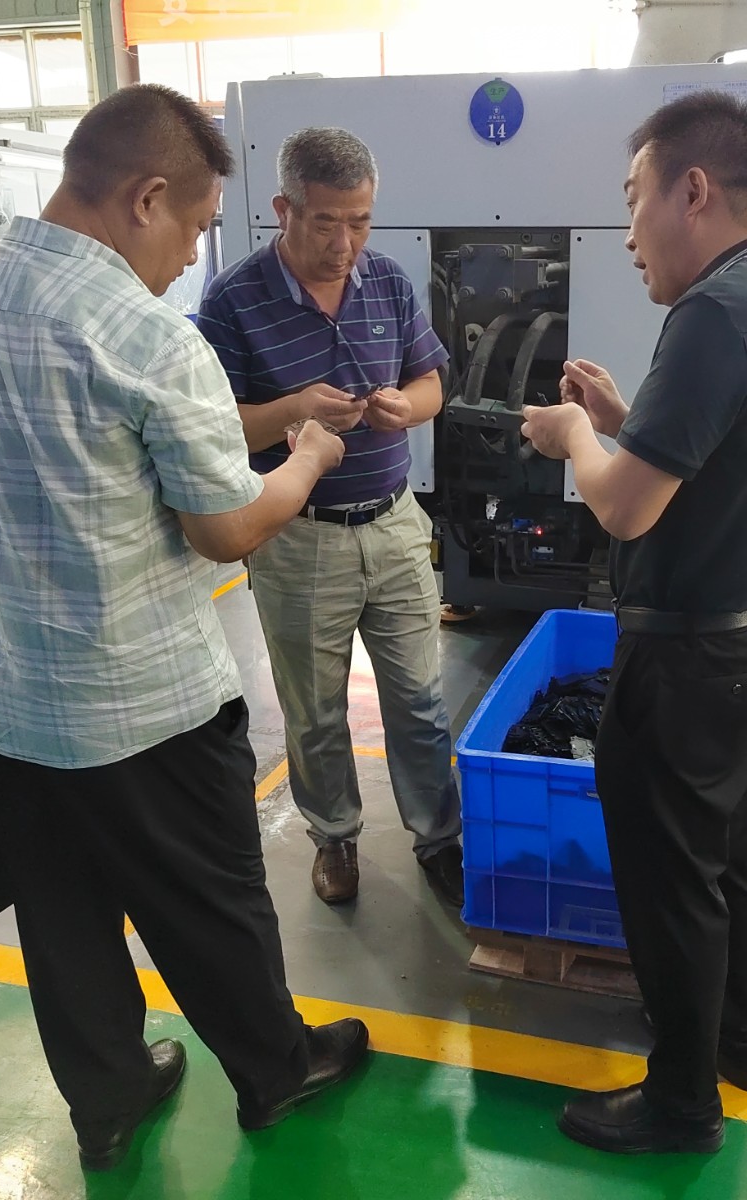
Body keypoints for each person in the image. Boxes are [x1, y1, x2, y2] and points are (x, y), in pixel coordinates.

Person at [0, 84, 370, 1172]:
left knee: (60, 917)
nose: (191, 256)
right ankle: (274, 1071)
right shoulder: (145, 336)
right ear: (147, 197)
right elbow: (225, 528)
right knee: (211, 903)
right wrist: (305, 456)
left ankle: (106, 1102)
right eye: (194, 228)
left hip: (4, 700)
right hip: (145, 706)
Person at [521, 92, 747, 1155]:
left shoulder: (714, 312)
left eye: (633, 200)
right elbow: (730, 453)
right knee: (727, 862)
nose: (626, 233)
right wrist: (626, 420)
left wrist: (573, 438)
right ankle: (737, 1043)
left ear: (692, 191)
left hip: (689, 653)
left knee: (670, 884)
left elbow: (623, 508)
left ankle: (679, 1104)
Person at [197, 127, 463, 908]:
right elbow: (213, 425)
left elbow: (432, 384)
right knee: (314, 711)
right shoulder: (234, 300)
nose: (346, 244)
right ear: (284, 209)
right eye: (326, 223)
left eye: (361, 222)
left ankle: (438, 837)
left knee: (420, 700)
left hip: (395, 524)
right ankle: (335, 838)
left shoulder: (387, 281)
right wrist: (294, 410)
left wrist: (404, 407)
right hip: (298, 536)